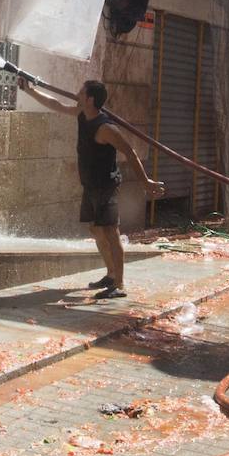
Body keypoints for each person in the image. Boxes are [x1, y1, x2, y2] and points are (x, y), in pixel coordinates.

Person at [19, 78, 165, 299]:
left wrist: (145, 182)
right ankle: (110, 274)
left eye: (81, 92)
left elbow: (130, 151)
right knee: (96, 230)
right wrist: (30, 91)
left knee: (110, 232)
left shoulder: (105, 128)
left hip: (106, 185)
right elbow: (56, 105)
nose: (77, 94)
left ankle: (119, 284)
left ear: (90, 99)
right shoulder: (82, 115)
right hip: (90, 185)